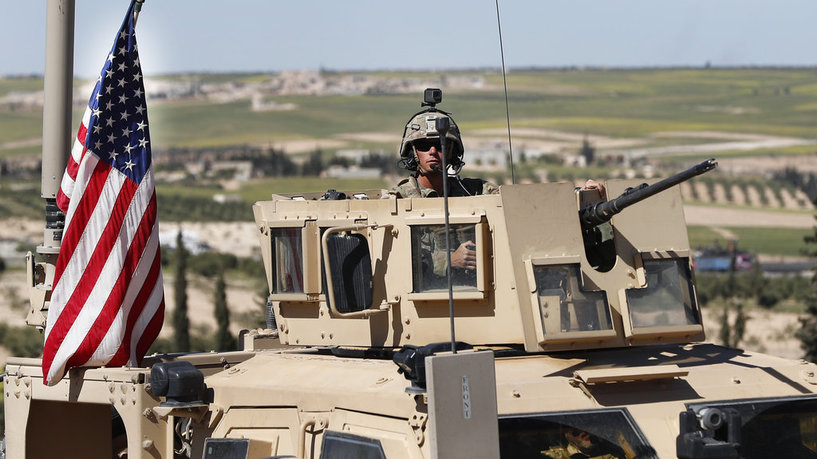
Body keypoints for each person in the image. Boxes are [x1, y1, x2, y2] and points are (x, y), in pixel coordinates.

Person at [540, 427, 623, 459]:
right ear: (569, 439)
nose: (582, 433)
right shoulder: (558, 455)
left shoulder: (612, 449)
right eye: (575, 432)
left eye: (584, 429)